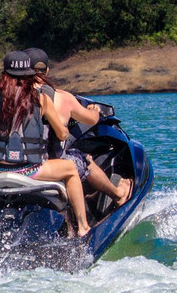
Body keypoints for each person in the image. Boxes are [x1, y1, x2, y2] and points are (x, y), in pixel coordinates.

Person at [0, 51, 92, 236]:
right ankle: (83, 227)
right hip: (29, 170)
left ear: (4, 74)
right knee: (71, 169)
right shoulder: (41, 99)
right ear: (29, 74)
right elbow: (62, 133)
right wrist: (64, 131)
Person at [25, 48, 132, 207]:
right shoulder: (61, 98)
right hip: (48, 166)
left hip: (17, 164)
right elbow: (90, 120)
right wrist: (94, 111)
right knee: (83, 157)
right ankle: (117, 195)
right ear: (47, 70)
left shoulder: (10, 99)